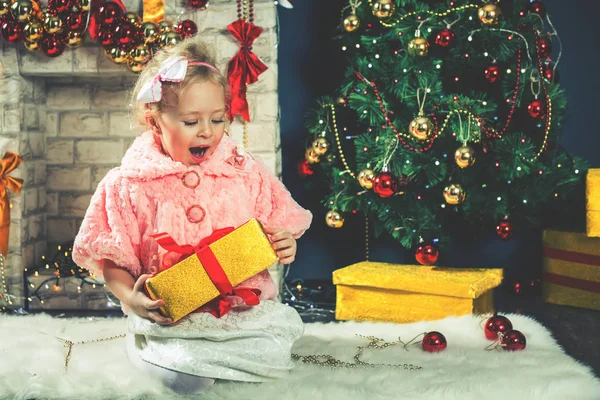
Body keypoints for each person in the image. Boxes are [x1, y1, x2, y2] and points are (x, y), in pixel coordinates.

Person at [72, 37, 312, 393]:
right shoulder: (129, 184)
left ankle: (227, 360)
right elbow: (112, 260)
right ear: (155, 122)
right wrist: (132, 298)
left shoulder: (243, 171)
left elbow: (277, 226)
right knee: (184, 378)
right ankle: (169, 358)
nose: (207, 131)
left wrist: (285, 242)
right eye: (190, 121)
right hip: (171, 316)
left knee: (274, 357)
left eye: (217, 119)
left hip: (237, 313)